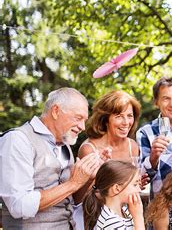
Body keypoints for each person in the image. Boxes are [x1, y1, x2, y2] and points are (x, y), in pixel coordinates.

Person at [0, 87, 102, 229]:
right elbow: (19, 205)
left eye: (84, 120)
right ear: (55, 111)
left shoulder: (65, 145)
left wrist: (88, 178)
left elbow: (72, 201)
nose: (82, 127)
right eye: (78, 118)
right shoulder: (17, 140)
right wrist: (73, 183)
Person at [73, 90, 145, 230]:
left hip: (125, 215)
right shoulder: (89, 149)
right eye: (119, 116)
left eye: (129, 116)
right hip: (97, 219)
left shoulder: (133, 146)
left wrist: (134, 184)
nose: (126, 122)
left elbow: (125, 185)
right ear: (105, 118)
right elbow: (80, 198)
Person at [83, 160, 144, 230]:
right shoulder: (111, 221)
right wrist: (138, 217)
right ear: (116, 189)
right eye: (135, 185)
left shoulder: (125, 211)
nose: (139, 190)